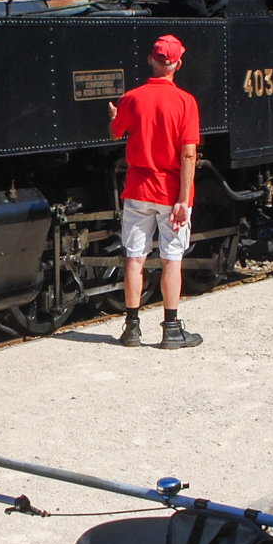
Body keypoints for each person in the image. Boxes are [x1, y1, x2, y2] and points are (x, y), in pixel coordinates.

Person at [108, 35, 202, 349]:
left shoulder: (132, 98)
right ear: (178, 64)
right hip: (171, 193)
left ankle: (132, 329)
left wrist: (114, 117)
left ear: (151, 59)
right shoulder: (186, 102)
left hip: (138, 189)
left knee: (134, 258)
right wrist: (183, 199)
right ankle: (171, 330)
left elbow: (115, 132)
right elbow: (188, 154)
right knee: (171, 260)